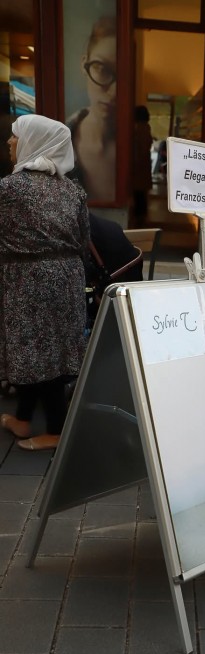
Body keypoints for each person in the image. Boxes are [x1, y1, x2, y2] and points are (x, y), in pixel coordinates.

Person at [0, 114, 89, 451]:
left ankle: (56, 430)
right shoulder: (73, 191)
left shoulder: (9, 189)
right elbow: (83, 239)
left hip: (26, 280)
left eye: (16, 136)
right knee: (52, 350)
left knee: (33, 351)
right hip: (67, 277)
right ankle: (23, 419)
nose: (10, 141)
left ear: (34, 142)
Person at [67, 16, 116, 202]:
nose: (113, 92)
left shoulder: (130, 149)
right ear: (84, 64)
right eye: (102, 69)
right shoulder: (57, 146)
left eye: (124, 76)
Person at [132, 105, 153, 224]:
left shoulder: (140, 128)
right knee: (141, 193)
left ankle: (140, 217)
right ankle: (141, 216)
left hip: (139, 165)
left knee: (139, 193)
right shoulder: (145, 127)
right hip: (143, 165)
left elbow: (142, 148)